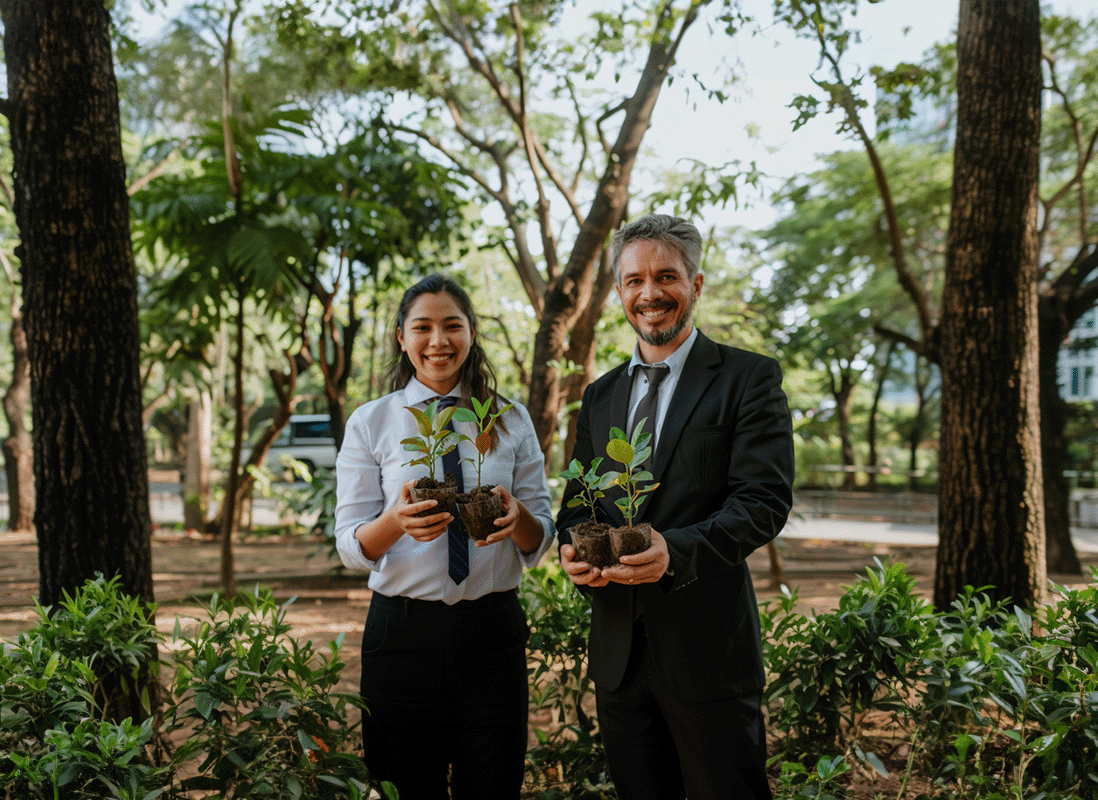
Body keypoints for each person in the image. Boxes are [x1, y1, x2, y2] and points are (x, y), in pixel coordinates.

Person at [557, 214, 794, 800]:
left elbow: (763, 500)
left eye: (667, 276)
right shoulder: (600, 393)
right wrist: (572, 552)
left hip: (709, 655)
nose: (650, 293)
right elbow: (577, 502)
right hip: (618, 656)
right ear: (619, 292)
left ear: (696, 285)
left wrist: (676, 552)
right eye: (634, 280)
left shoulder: (748, 378)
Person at [335, 273, 555, 799]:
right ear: (401, 337)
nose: (439, 341)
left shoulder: (509, 419)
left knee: (493, 786)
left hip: (492, 634)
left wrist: (516, 515)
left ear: (472, 333)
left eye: (452, 326)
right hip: (402, 637)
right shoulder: (372, 423)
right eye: (423, 327)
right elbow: (350, 545)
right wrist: (396, 522)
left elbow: (541, 537)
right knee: (406, 788)